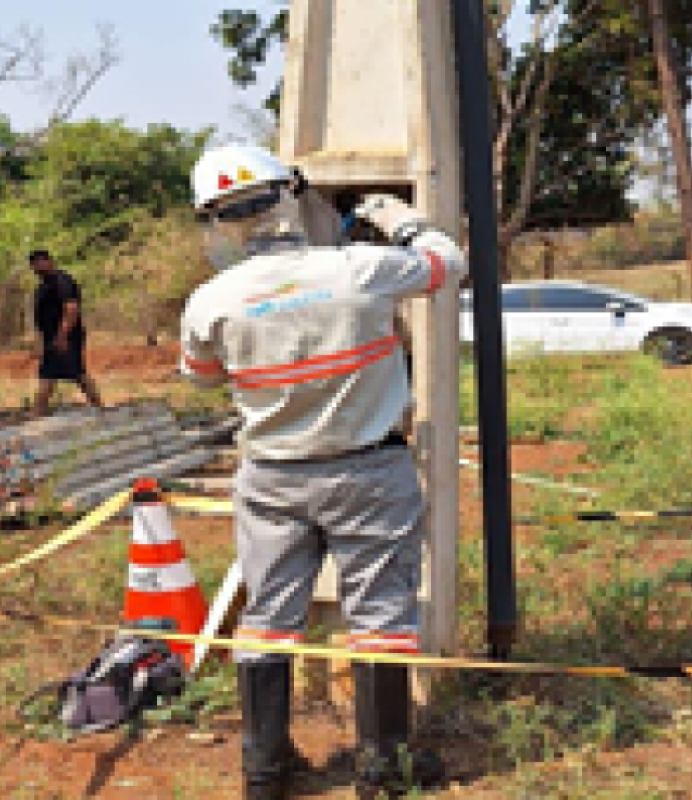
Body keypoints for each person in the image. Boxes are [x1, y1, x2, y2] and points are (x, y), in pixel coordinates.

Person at [178, 144, 467, 800]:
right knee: (382, 616)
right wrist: (400, 219)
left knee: (270, 617)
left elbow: (200, 379)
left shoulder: (211, 300)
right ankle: (384, 769)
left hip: (273, 479)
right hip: (368, 472)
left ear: (217, 222)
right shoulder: (360, 269)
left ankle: (266, 773)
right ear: (290, 194)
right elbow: (448, 265)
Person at [28, 249, 104, 416]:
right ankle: (37, 412)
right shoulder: (43, 286)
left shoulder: (62, 281)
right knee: (50, 374)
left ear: (49, 261)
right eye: (34, 264)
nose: (37, 266)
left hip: (66, 337)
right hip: (52, 338)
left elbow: (71, 309)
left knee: (77, 374)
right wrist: (42, 342)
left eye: (41, 262)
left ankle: (99, 408)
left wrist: (62, 336)